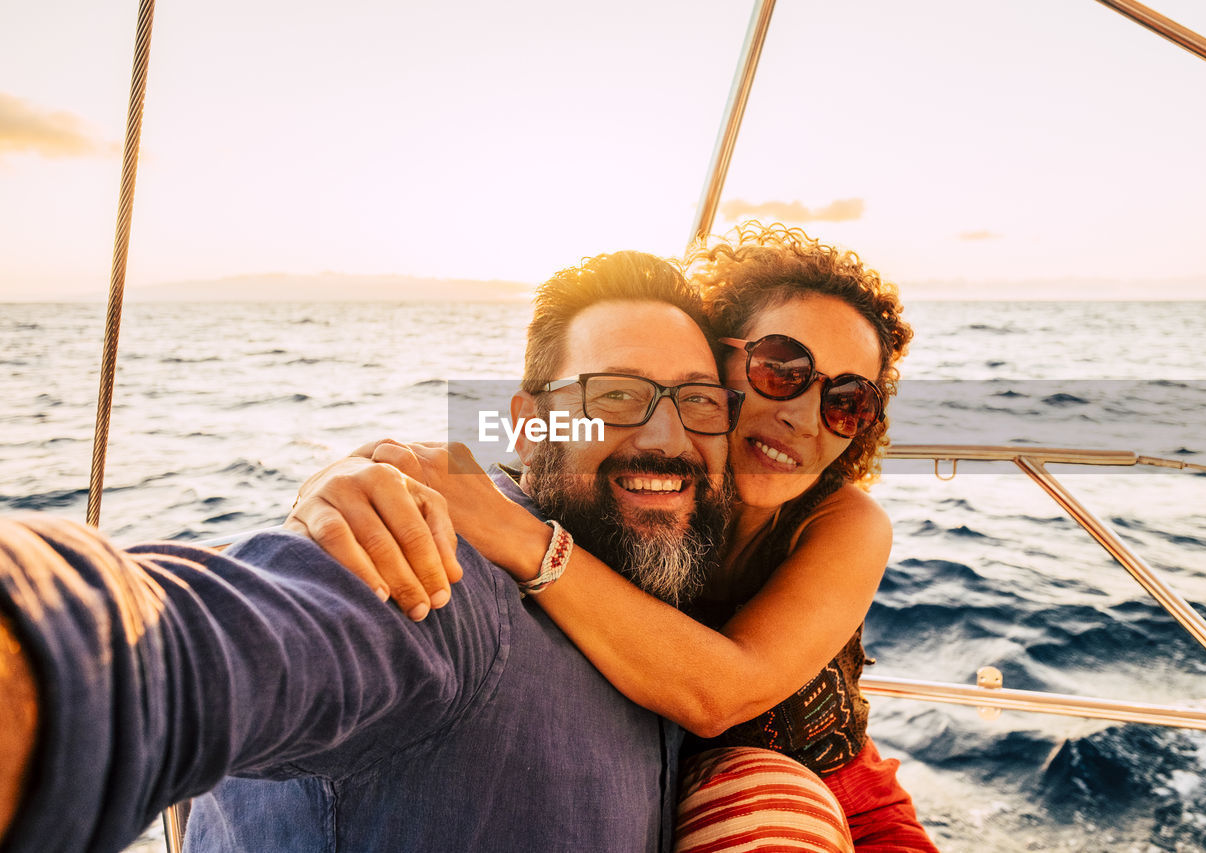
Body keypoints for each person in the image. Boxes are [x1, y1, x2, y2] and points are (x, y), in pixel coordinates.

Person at [0, 250, 740, 853]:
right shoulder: (445, 574)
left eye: (700, 401)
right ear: (529, 425)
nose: (667, 439)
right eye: (614, 397)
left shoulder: (656, 622)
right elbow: (203, 652)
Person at [297, 222, 938, 850]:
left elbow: (724, 693)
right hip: (683, 803)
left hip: (848, 801)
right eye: (780, 368)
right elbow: (465, 466)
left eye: (849, 400)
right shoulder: (613, 482)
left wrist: (528, 544)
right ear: (715, 362)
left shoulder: (845, 522)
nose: (803, 418)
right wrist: (339, 484)